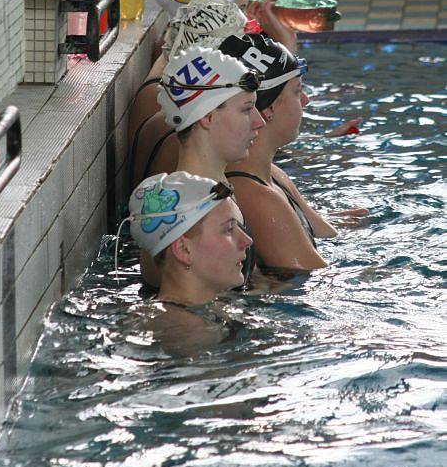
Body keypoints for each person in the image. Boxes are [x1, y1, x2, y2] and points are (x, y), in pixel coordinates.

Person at [220, 33, 365, 274]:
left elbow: (325, 231)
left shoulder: (273, 175)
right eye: (298, 91)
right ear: (269, 108)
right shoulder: (258, 197)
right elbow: (316, 276)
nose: (306, 100)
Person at [140, 46, 265, 289]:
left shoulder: (208, 196)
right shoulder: (188, 216)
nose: (259, 121)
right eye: (247, 109)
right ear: (207, 117)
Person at [128, 0, 253, 144]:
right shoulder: (169, 90)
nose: (249, 22)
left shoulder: (176, 63)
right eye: (240, 11)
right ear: (206, 17)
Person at [127, 171, 252, 354]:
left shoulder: (201, 312)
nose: (247, 240)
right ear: (184, 250)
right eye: (228, 229)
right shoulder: (190, 333)